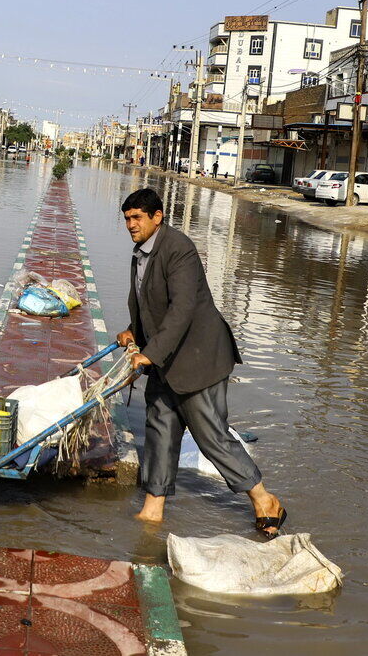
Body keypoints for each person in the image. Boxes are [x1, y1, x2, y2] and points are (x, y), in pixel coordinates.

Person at [115, 187, 287, 536]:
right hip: (166, 359)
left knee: (211, 437)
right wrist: (134, 331)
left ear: (157, 217)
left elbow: (182, 309)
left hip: (198, 359)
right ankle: (153, 509)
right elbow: (151, 303)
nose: (131, 225)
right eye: (127, 219)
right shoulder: (141, 253)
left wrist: (150, 353)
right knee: (160, 432)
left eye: (137, 218)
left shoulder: (179, 249)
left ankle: (263, 497)